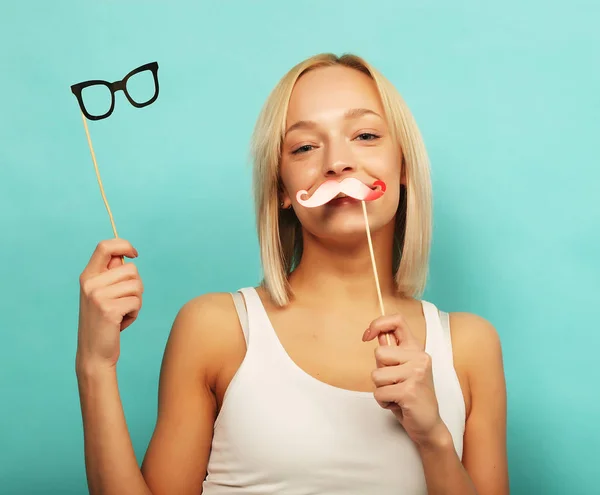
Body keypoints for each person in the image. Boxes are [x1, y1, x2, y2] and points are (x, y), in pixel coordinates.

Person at [75, 53, 509, 494]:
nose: (338, 162)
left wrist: (433, 438)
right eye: (304, 146)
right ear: (282, 189)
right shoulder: (216, 329)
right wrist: (95, 364)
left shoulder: (469, 348)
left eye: (365, 135)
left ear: (403, 168)